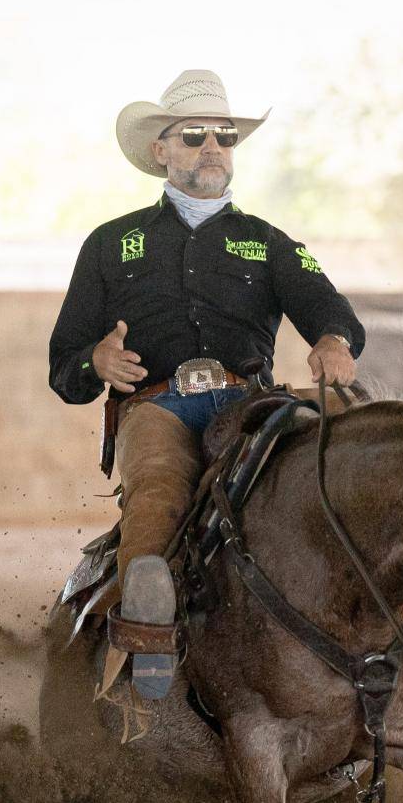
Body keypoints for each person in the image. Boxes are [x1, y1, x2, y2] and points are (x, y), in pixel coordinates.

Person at [48, 69, 364, 699]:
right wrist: (97, 363)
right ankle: (143, 650)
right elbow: (65, 367)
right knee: (160, 494)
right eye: (194, 135)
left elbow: (335, 314)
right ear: (161, 151)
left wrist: (332, 342)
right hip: (155, 408)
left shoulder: (271, 243)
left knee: (325, 495)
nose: (213, 146)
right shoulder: (110, 245)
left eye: (225, 135)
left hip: (251, 407)